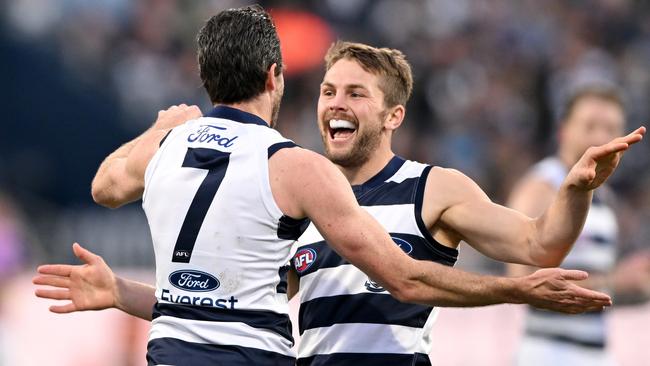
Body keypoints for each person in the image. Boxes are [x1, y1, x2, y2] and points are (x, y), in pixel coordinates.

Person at [34, 27, 642, 366]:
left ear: (394, 115)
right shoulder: (296, 199)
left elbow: (541, 244)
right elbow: (225, 307)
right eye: (328, 91)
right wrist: (121, 294)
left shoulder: (432, 188)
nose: (334, 104)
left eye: (355, 93)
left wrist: (576, 190)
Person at [507, 86, 650, 366]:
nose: (600, 137)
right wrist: (615, 282)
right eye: (590, 126)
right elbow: (519, 282)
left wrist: (634, 283)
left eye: (610, 127)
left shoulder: (604, 198)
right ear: (564, 131)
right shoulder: (542, 187)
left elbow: (599, 289)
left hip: (595, 355)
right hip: (548, 355)